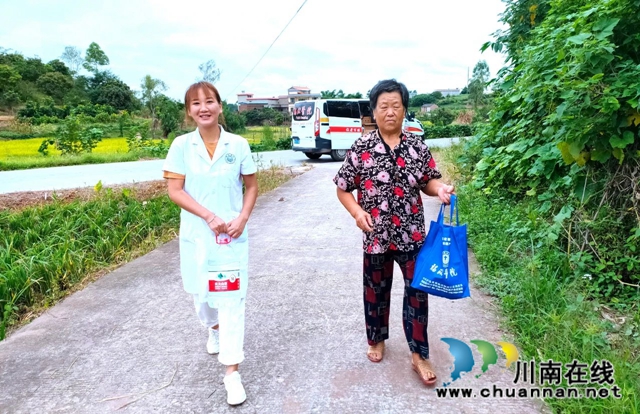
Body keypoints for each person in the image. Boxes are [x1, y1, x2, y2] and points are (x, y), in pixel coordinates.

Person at [333, 79, 455, 386]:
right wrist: (357, 213)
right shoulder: (361, 148)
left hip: (412, 235)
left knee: (417, 293)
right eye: (383, 106)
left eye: (396, 106)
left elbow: (427, 181)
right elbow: (343, 188)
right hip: (375, 235)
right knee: (375, 291)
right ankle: (376, 338)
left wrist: (439, 189)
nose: (390, 112)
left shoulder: (416, 146)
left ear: (404, 110)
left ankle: (419, 353)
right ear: (373, 111)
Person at [162, 81, 258, 405]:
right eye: (195, 103)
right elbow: (175, 190)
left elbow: (252, 186)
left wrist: (243, 217)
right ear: (189, 111)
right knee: (200, 293)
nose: (203, 107)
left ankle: (232, 372)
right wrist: (206, 216)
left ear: (220, 106)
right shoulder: (181, 146)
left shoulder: (238, 144)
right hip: (197, 235)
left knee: (232, 300)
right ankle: (213, 328)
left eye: (209, 101)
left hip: (230, 237)